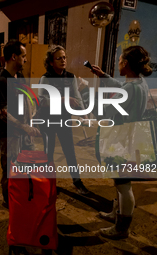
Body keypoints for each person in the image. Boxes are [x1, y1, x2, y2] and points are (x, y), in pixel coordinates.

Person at [80, 45, 152, 239]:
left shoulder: (130, 88)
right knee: (120, 181)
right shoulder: (139, 83)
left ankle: (122, 228)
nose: (117, 63)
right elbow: (122, 88)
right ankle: (117, 214)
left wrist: (86, 92)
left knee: (123, 184)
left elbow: (105, 114)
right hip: (129, 136)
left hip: (120, 139)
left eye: (119, 60)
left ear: (126, 64)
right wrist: (103, 75)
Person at [0, 39, 41, 209]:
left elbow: (27, 100)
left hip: (26, 133)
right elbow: (3, 113)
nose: (26, 59)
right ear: (14, 57)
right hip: (10, 135)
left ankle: (24, 196)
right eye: (23, 56)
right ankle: (9, 202)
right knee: (10, 169)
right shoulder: (1, 82)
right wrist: (25, 127)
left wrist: (33, 119)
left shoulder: (19, 77)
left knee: (28, 165)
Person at [37, 45, 89, 195]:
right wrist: (63, 99)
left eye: (64, 57)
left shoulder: (71, 77)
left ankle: (77, 182)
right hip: (47, 120)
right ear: (51, 62)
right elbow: (42, 101)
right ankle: (49, 183)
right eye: (59, 58)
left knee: (69, 151)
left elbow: (77, 98)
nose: (63, 60)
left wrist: (84, 113)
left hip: (64, 119)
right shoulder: (45, 79)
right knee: (49, 152)